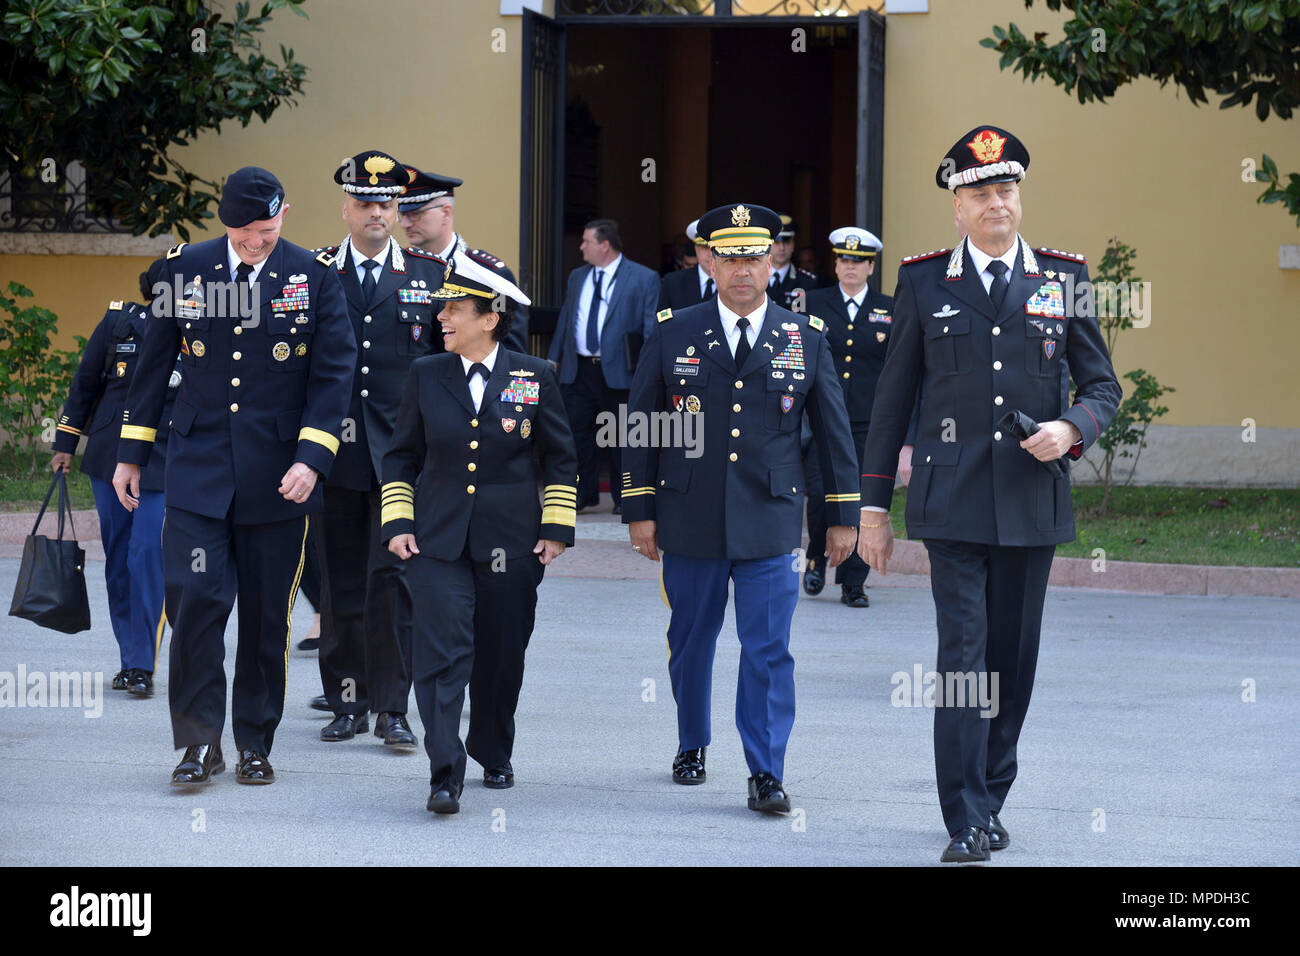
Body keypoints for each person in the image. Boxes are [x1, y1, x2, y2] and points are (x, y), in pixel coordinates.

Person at [857, 126, 1120, 861]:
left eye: (1006, 189)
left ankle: (993, 792)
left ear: (1019, 198)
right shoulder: (922, 281)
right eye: (979, 192)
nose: (995, 202)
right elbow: (891, 403)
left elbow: (1102, 385)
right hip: (952, 503)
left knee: (1013, 660)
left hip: (1032, 501)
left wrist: (1072, 428)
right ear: (956, 207)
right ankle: (964, 815)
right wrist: (872, 509)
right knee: (962, 659)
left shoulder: (1062, 278)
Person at [114, 166, 356, 787]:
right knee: (195, 606)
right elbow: (152, 364)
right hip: (196, 473)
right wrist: (131, 452)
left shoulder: (313, 275)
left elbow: (334, 376)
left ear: (285, 215)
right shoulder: (184, 270)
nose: (257, 241)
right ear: (223, 222)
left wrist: (313, 457)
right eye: (246, 231)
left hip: (278, 479)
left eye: (269, 230)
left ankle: (254, 740)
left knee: (265, 617)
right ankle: (198, 743)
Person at [622, 203, 861, 814]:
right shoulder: (674, 330)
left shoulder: (803, 338)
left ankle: (766, 770)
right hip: (689, 514)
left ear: (771, 262)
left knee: (768, 649)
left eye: (754, 257)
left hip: (769, 518)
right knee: (691, 639)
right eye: (729, 258)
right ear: (709, 261)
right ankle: (691, 741)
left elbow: (833, 432)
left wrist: (843, 516)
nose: (742, 270)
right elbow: (644, 424)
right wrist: (639, 508)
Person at [380, 251, 577, 813]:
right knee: (440, 655)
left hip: (511, 544)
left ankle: (493, 749)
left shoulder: (535, 376)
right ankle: (445, 774)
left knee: (499, 654)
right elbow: (400, 457)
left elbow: (561, 459)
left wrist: (556, 527)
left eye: (454, 308)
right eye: (442, 307)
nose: (441, 316)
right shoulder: (426, 374)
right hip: (436, 542)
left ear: (489, 318)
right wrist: (398, 522)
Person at [308, 151, 449, 749]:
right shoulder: (314, 274)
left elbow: (443, 372)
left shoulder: (429, 276)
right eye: (364, 203)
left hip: (400, 457)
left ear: (398, 211)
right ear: (345, 208)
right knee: (340, 580)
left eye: (386, 204)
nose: (376, 214)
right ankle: (347, 700)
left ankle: (393, 707)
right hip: (334, 452)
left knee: (395, 579)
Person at [51, 260, 178, 696]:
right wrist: (65, 444)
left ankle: (143, 661)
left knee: (146, 553)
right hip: (109, 453)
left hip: (163, 456)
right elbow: (84, 384)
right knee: (120, 555)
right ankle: (130, 659)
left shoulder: (200, 332)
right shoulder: (118, 322)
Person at [802, 227, 903, 608]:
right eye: (844, 259)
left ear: (871, 266)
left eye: (858, 261)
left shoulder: (890, 308)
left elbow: (898, 367)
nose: (850, 267)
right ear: (836, 262)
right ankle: (815, 560)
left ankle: (852, 581)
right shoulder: (812, 302)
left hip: (868, 422)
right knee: (819, 496)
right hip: (822, 419)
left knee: (862, 501)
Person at [546, 218, 659, 513]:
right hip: (579, 368)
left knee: (621, 437)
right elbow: (567, 319)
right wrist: (553, 357)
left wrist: (647, 370)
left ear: (605, 246)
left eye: (587, 241)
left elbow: (650, 327)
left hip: (620, 371)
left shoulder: (643, 278)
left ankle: (625, 499)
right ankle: (583, 494)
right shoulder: (577, 276)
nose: (581, 247)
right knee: (578, 434)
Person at [398, 166, 529, 352]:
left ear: (446, 212)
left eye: (416, 214)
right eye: (403, 215)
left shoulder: (487, 273)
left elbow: (509, 351)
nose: (405, 224)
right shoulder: (401, 270)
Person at [657, 218, 715, 311]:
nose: (711, 254)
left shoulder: (737, 282)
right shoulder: (673, 282)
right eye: (705, 247)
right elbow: (663, 323)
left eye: (716, 248)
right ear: (696, 249)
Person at [766, 214, 818, 311]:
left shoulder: (807, 281)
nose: (782, 248)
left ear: (793, 245)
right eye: (776, 242)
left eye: (786, 242)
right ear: (768, 245)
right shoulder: (756, 277)